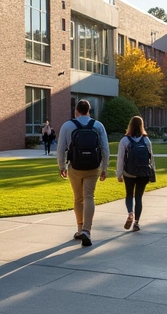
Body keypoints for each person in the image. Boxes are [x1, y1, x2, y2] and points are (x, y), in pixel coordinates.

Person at [57, 99, 110, 247]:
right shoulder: (98, 126)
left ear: (76, 110)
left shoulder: (67, 126)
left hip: (75, 167)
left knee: (78, 198)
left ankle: (80, 228)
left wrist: (62, 166)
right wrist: (104, 167)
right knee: (89, 197)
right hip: (93, 167)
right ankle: (87, 230)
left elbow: (61, 148)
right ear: (89, 110)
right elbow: (105, 148)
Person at [117, 116, 156, 232]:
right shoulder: (146, 140)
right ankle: (137, 223)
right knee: (139, 197)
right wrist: (152, 171)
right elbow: (151, 158)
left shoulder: (125, 140)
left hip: (129, 172)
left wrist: (119, 174)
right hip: (143, 173)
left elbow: (120, 158)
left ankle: (130, 213)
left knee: (129, 194)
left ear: (130, 125)